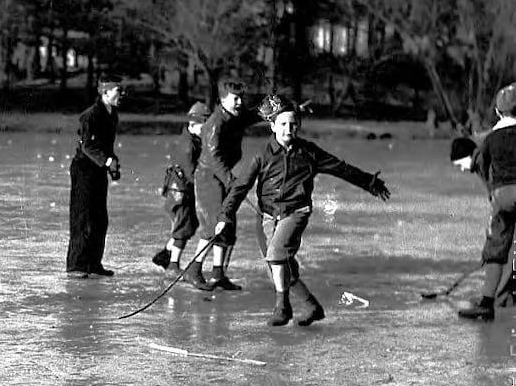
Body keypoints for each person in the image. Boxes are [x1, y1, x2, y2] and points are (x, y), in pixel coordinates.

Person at [214, 94, 391, 327]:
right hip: (267, 215)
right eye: (283, 124)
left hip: (296, 212)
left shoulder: (309, 153)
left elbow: (341, 168)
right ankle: (311, 306)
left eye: (293, 124)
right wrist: (225, 216)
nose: (289, 129)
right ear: (273, 126)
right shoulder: (262, 156)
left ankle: (282, 308)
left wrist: (370, 182)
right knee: (278, 267)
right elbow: (239, 188)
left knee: (277, 256)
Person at [185, 77, 265, 292]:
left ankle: (218, 273)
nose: (240, 102)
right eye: (236, 98)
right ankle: (194, 269)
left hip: (223, 176)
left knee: (226, 224)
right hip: (208, 179)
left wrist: (286, 106)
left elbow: (256, 114)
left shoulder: (235, 116)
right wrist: (231, 181)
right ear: (222, 100)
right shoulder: (215, 123)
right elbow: (214, 157)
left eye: (242, 98)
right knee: (213, 225)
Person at [453, 82, 516, 320]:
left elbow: (482, 164)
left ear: (499, 112)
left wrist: (492, 193)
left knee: (497, 248)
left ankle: (486, 304)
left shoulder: (490, 138)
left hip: (502, 197)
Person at [66, 79, 124, 277]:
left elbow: (106, 145)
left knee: (100, 219)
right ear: (105, 93)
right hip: (83, 171)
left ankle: (94, 264)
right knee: (82, 218)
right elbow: (87, 146)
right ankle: (76, 266)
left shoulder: (112, 115)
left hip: (98, 171)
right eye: (118, 91)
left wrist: (112, 163)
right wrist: (107, 161)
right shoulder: (89, 116)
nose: (121, 95)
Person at [152, 101, 209, 277]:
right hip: (180, 194)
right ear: (193, 124)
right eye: (204, 126)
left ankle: (164, 254)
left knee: (189, 225)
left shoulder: (192, 140)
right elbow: (192, 173)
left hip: (181, 192)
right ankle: (173, 264)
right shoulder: (188, 146)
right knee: (183, 229)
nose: (206, 131)